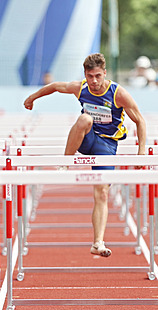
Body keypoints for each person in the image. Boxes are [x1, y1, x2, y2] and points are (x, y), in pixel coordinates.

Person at [24, 53, 146, 257]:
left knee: (102, 193)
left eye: (98, 76)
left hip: (107, 145)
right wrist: (32, 97)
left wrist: (141, 151)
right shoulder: (80, 88)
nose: (94, 81)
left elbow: (140, 120)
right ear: (85, 75)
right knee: (85, 119)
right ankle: (65, 162)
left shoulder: (118, 93)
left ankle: (97, 242)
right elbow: (54, 86)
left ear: (105, 73)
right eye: (90, 76)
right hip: (86, 139)